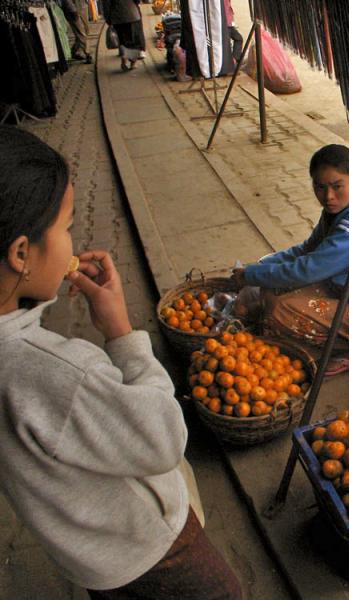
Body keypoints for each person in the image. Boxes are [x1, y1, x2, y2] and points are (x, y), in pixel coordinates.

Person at [0, 126, 242, 597]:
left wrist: (38, 296)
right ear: (22, 253)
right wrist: (122, 335)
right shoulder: (60, 373)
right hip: (150, 551)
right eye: (66, 229)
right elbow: (164, 438)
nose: (72, 243)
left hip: (91, 559)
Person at [232, 144, 349, 376]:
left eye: (337, 186)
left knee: (280, 308)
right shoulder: (338, 210)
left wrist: (253, 275)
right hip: (341, 289)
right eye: (320, 187)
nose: (328, 196)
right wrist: (260, 268)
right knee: (269, 291)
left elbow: (309, 268)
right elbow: (306, 250)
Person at [104, 0, 146, 71]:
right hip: (132, 14)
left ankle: (124, 62)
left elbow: (106, 6)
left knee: (122, 40)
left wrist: (108, 19)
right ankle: (132, 63)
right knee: (134, 40)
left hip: (118, 17)